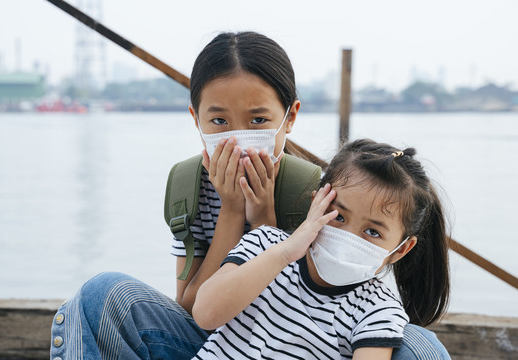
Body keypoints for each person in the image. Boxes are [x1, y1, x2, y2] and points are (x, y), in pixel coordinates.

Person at [50, 32, 450, 360]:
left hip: (316, 343)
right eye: (219, 120)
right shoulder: (189, 187)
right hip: (218, 337)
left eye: (258, 120)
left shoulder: (318, 193)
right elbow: (193, 310)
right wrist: (230, 209)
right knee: (100, 294)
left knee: (421, 347)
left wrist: (265, 219)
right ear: (197, 119)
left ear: (289, 118)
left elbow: (306, 288)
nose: (239, 135)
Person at [191, 139, 451, 359]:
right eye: (337, 215)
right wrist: (286, 252)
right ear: (316, 203)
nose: (346, 236)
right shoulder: (264, 242)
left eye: (373, 232)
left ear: (401, 250)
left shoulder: (377, 310)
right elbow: (205, 314)